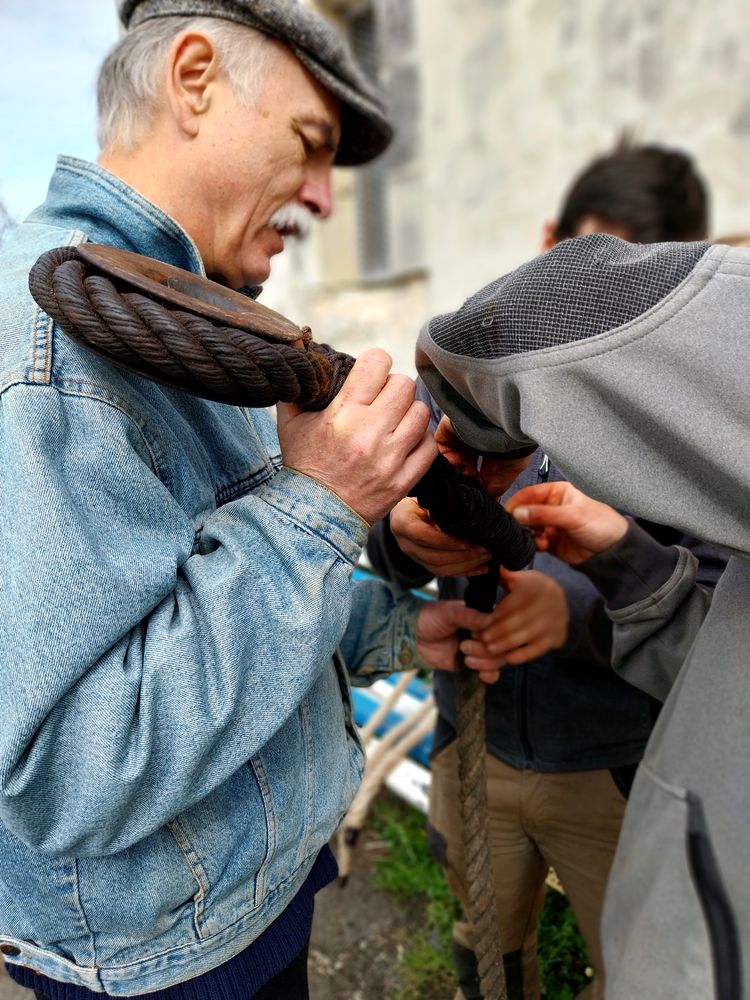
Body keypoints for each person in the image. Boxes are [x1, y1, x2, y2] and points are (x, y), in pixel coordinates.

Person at [0, 4, 507, 998]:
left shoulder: (193, 319)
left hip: (255, 896)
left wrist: (405, 623)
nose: (323, 196)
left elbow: (199, 603)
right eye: (310, 145)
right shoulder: (50, 352)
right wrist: (323, 498)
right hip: (165, 966)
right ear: (194, 79)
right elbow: (68, 770)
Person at [367, 141, 723, 1000]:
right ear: (548, 245)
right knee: (485, 935)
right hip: (471, 749)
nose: (597, 321)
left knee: (636, 961)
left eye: (635, 297)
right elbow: (373, 524)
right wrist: (404, 539)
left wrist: (581, 611)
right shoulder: (458, 384)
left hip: (610, 771)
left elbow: (718, 623)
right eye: (584, 280)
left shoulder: (690, 444)